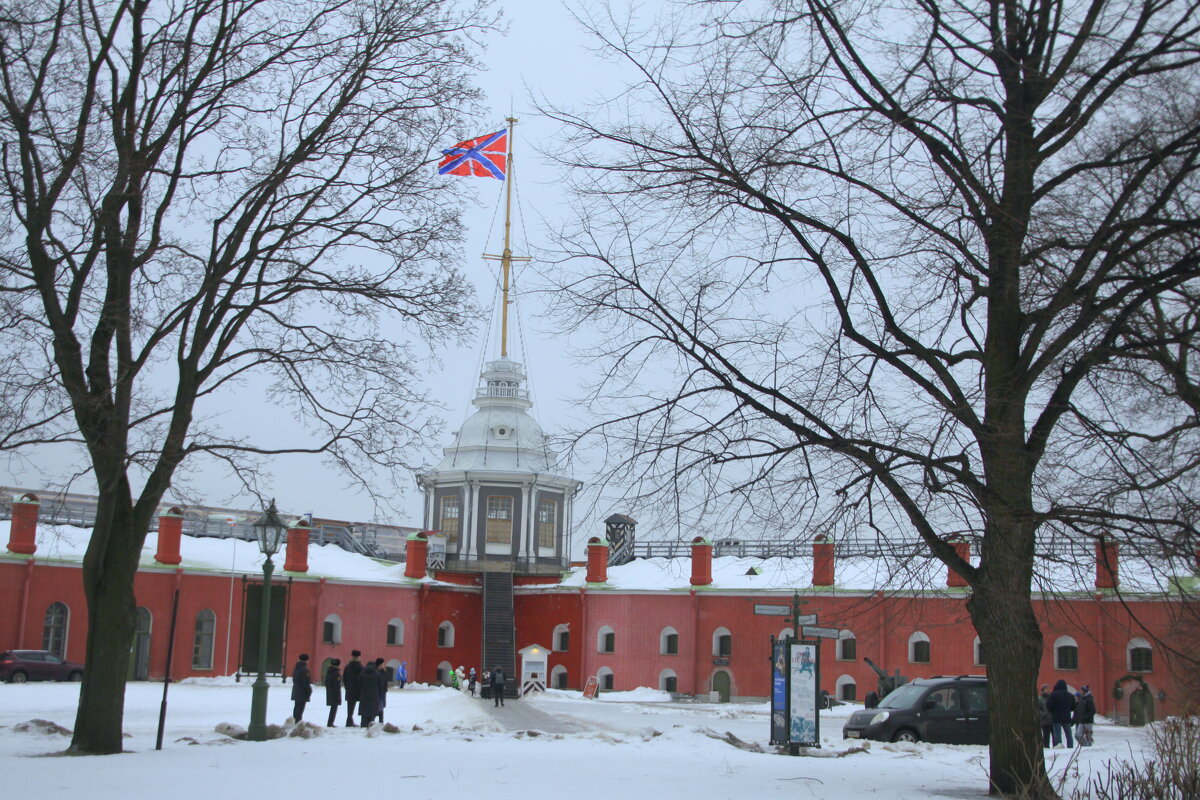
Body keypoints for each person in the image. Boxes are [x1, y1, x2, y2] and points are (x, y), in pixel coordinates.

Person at [1046, 679, 1077, 748]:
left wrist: (1052, 711)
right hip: (1067, 717)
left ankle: (1059, 746)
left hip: (1056, 717)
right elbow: (1074, 707)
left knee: (1057, 734)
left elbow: (1048, 705)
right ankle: (1070, 746)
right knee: (1068, 734)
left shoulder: (1053, 695)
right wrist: (1068, 709)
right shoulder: (1070, 695)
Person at [358, 659, 383, 728]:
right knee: (372, 713)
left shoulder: (362, 673)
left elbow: (359, 684)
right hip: (374, 696)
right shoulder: (377, 674)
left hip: (364, 696)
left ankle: (363, 725)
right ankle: (370, 726)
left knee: (364, 714)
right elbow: (381, 686)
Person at [343, 650, 363, 727]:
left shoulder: (347, 666)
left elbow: (344, 678)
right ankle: (349, 721)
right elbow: (360, 678)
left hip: (349, 688)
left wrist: (346, 687)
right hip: (356, 689)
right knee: (353, 705)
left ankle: (349, 719)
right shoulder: (360, 666)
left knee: (350, 705)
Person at [291, 653, 312, 723]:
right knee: (300, 709)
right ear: (307, 660)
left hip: (296, 690)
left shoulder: (296, 668)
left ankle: (295, 721)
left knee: (296, 707)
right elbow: (306, 682)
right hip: (302, 692)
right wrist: (309, 691)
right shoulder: (305, 670)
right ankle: (297, 723)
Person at [325, 658, 342, 728]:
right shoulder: (336, 673)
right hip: (335, 693)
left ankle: (330, 722)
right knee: (334, 708)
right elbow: (337, 685)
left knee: (333, 707)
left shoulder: (329, 672)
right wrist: (338, 695)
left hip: (329, 691)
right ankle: (330, 722)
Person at [374, 658, 389, 723]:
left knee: (381, 707)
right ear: (380, 664)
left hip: (382, 692)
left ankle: (381, 721)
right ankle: (375, 721)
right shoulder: (376, 672)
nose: (384, 665)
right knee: (377, 708)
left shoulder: (383, 672)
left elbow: (385, 681)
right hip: (377, 692)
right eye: (383, 663)